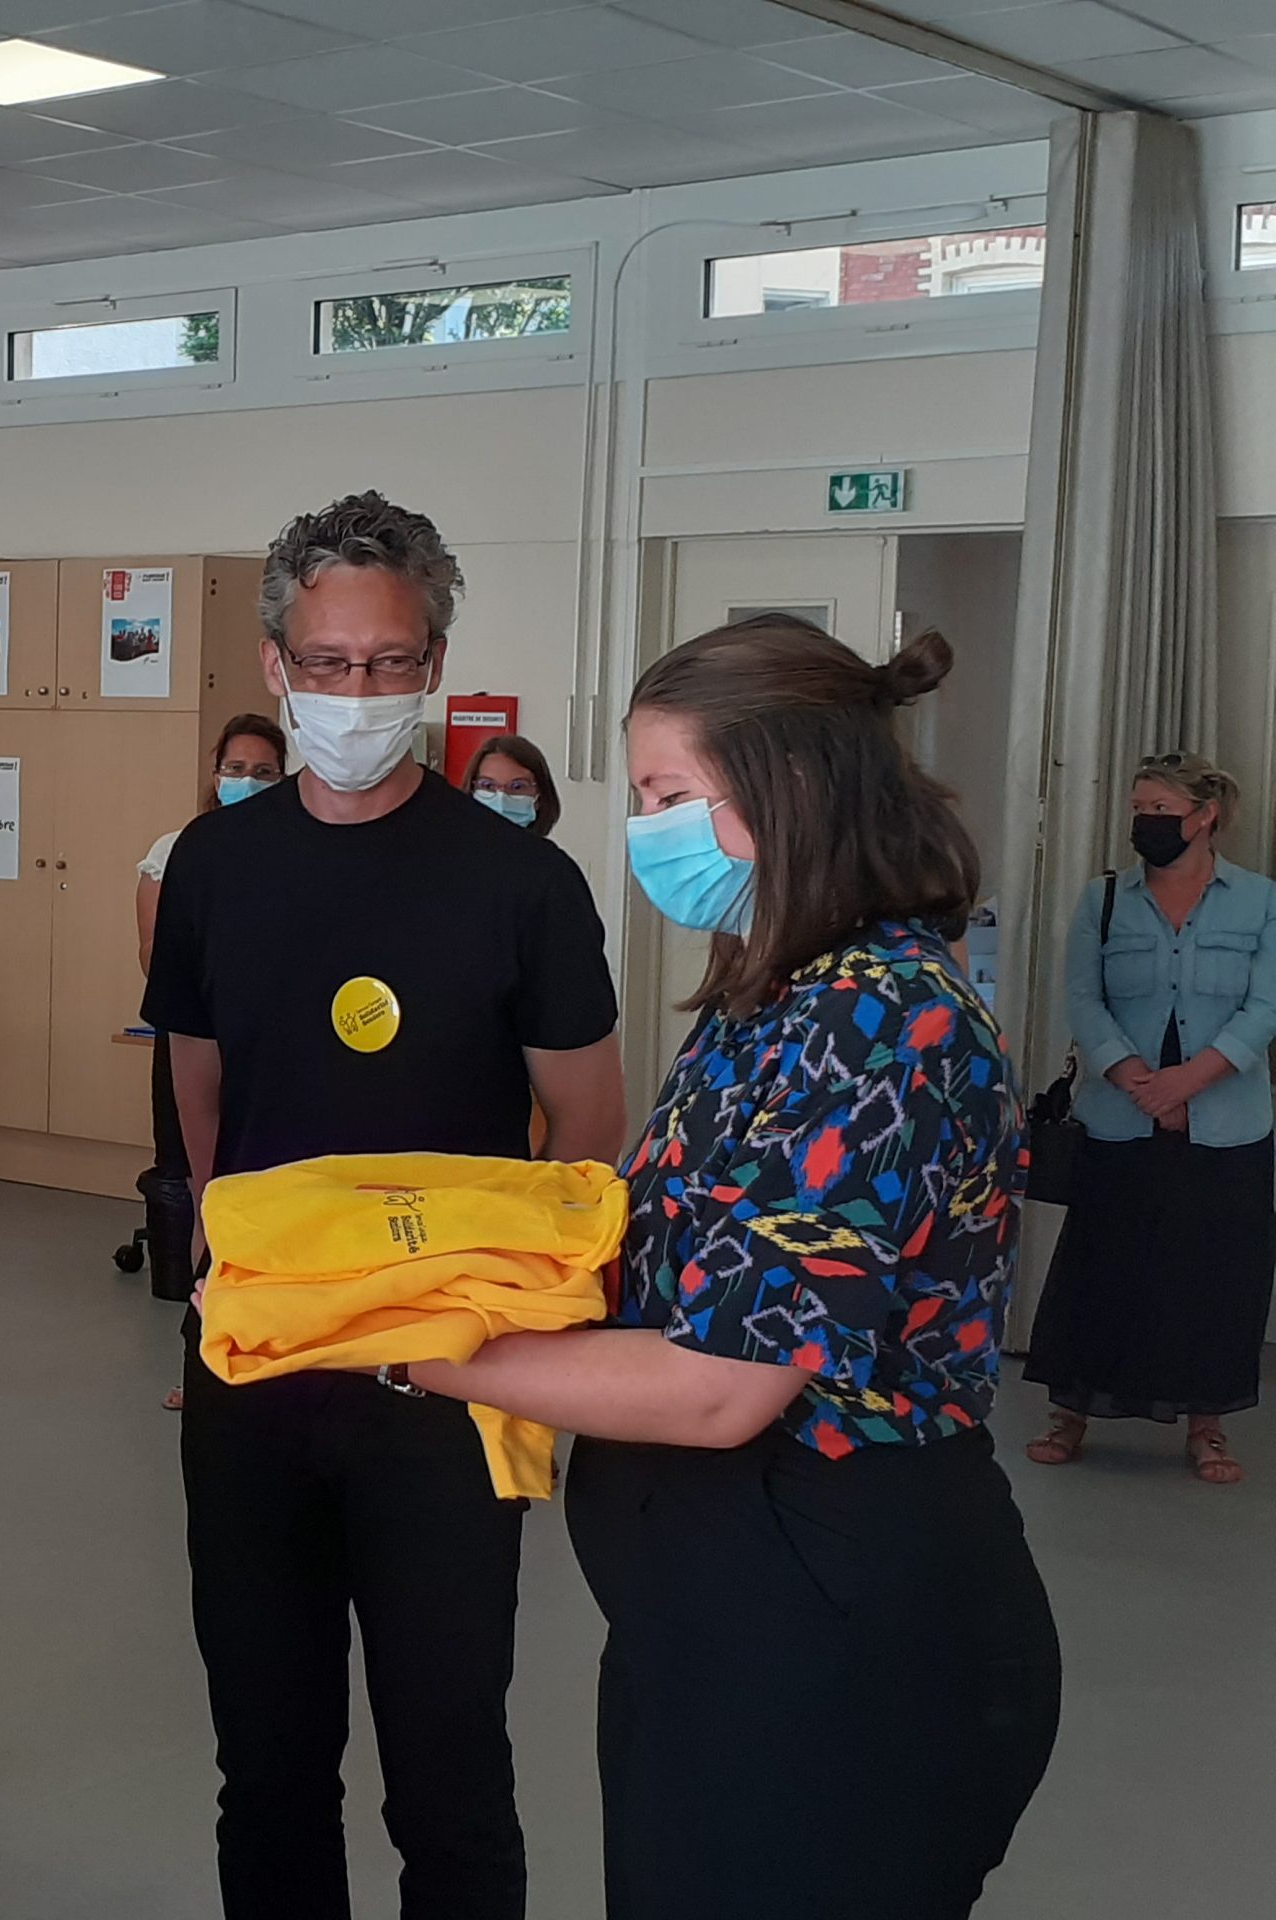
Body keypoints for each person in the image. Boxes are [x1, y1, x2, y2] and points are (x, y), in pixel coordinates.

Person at [404, 616, 1059, 1920]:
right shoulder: (775, 994)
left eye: (666, 796)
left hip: (838, 1633)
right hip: (721, 1621)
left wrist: (403, 1345)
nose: (644, 830)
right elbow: (680, 1263)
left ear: (787, 788)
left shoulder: (877, 1016)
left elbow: (722, 1386)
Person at [145, 492, 624, 1920]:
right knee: (266, 1766)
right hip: (258, 1373)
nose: (357, 691)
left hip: (449, 1386)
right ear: (276, 666)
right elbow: (200, 1092)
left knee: (449, 1774)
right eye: (328, 662)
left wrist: (489, 1317)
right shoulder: (213, 867)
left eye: (390, 662)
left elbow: (587, 1134)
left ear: (434, 666)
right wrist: (244, 1261)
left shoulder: (523, 883)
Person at [1026, 753, 1276, 1484]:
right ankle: (1070, 1413)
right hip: (1121, 1113)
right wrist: (1139, 1082)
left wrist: (1187, 1085)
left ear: (1205, 816)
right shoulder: (1103, 899)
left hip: (1225, 1119)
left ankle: (1208, 1427)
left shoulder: (1260, 900)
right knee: (1101, 1264)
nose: (1146, 822)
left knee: (1216, 1275)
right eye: (1139, 808)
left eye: (1161, 810)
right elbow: (1083, 998)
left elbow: (1265, 1007)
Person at [136, 713, 286, 1409]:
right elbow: (157, 961)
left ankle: (272, 1354)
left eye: (264, 773)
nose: (247, 783)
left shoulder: (299, 853)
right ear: (214, 772)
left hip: (274, 1051)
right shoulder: (178, 852)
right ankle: (201, 1363)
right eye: (236, 770)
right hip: (197, 1043)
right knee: (206, 1202)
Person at [463, 733, 559, 838]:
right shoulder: (452, 846)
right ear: (472, 789)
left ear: (539, 797)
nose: (501, 799)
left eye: (517, 787)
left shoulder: (545, 849)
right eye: (488, 786)